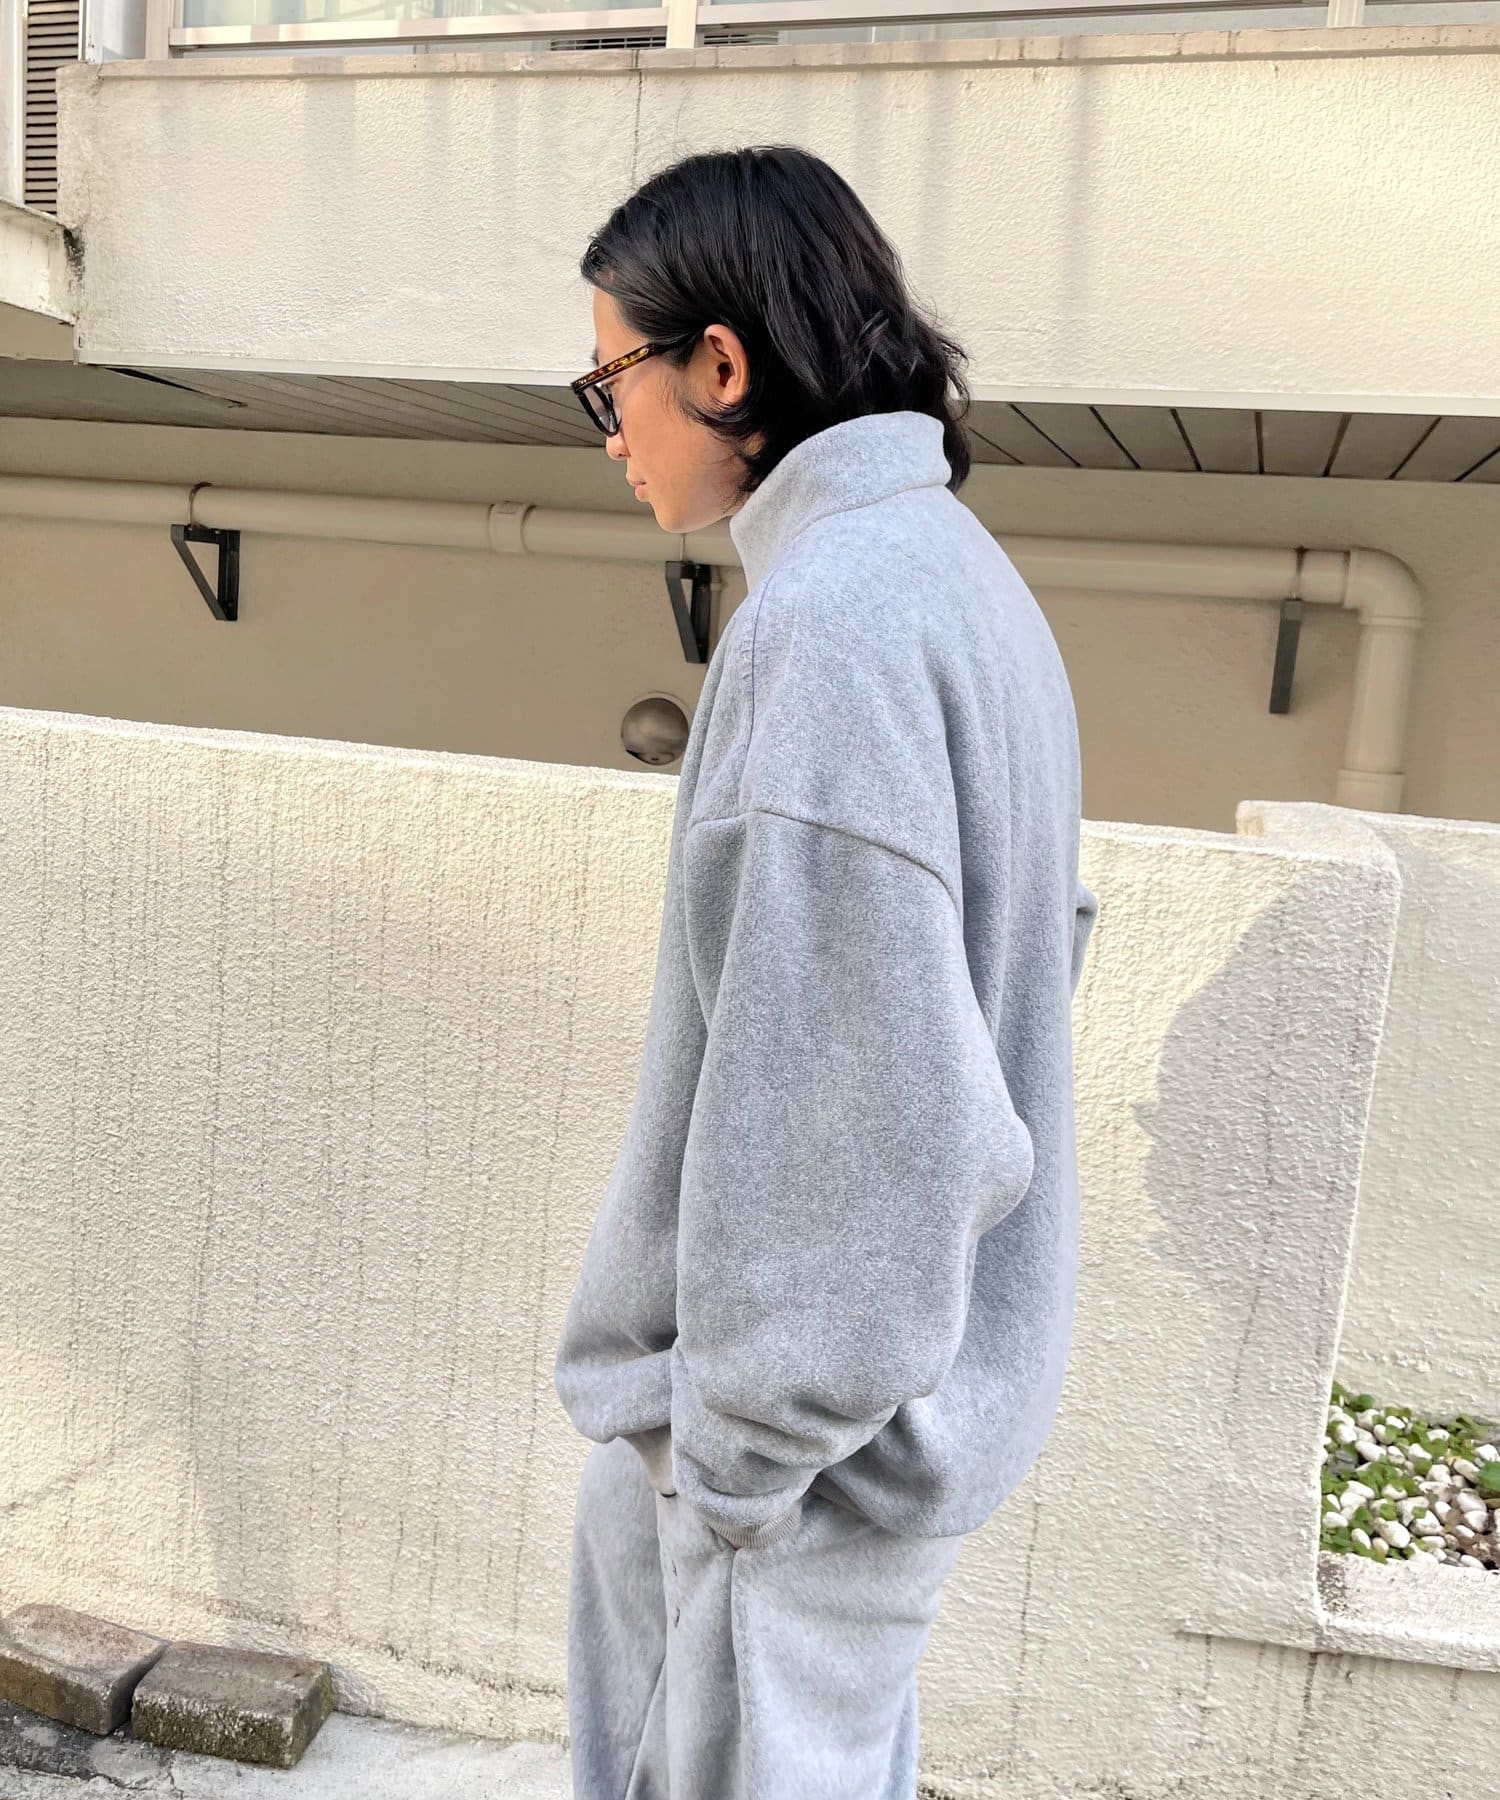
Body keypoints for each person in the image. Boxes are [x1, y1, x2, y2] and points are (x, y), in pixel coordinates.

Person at [553, 144, 1098, 1799]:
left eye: (611, 384)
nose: (609, 436)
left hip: (789, 1483)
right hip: (872, 1446)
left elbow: (870, 1115)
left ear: (720, 366)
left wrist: (734, 1464)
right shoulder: (957, 579)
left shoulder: (832, 628)